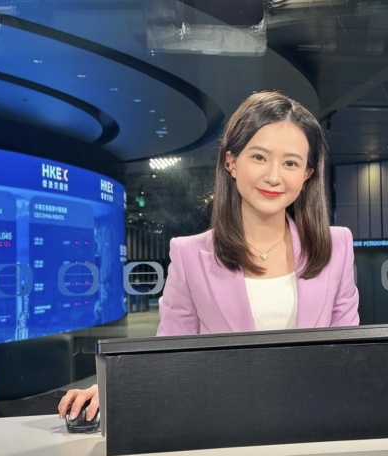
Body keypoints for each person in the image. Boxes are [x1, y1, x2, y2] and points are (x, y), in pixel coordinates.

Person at [58, 91, 359, 421]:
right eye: (259, 157)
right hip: (223, 421)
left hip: (313, 420)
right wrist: (114, 385)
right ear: (231, 162)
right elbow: (170, 352)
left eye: (291, 163)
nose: (274, 176)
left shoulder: (336, 246)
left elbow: (347, 353)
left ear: (307, 174)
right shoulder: (189, 255)